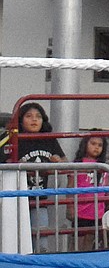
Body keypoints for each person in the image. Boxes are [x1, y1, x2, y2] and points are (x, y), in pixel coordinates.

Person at [4, 102, 67, 240]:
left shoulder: (48, 139)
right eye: (29, 116)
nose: (34, 119)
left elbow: (64, 161)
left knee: (41, 238)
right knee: (14, 238)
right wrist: (14, 165)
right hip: (14, 199)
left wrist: (58, 161)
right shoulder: (12, 139)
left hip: (39, 198)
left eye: (38, 116)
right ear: (20, 120)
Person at [68, 132, 109, 249]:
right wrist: (70, 207)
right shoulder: (78, 165)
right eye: (93, 144)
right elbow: (70, 187)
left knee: (90, 241)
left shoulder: (104, 167)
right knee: (78, 241)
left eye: (100, 145)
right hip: (81, 211)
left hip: (98, 211)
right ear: (85, 145)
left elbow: (107, 185)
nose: (96, 147)